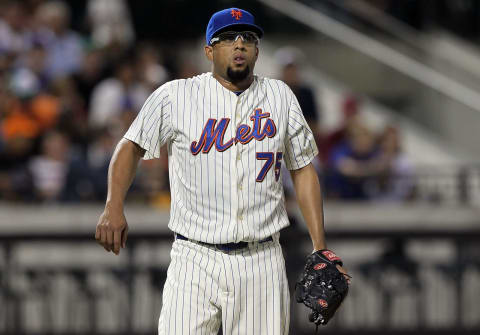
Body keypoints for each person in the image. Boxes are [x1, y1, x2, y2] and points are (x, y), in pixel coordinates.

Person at [95, 8, 348, 334]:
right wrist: (113, 205)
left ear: (257, 51)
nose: (239, 44)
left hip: (262, 258)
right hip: (194, 256)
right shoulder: (176, 96)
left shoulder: (280, 96)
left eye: (248, 38)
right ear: (209, 51)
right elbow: (129, 146)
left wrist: (319, 245)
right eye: (228, 38)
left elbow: (302, 168)